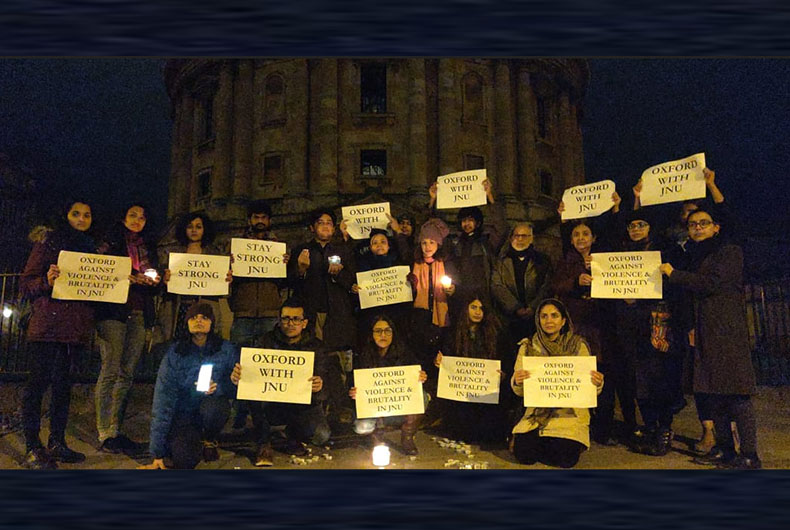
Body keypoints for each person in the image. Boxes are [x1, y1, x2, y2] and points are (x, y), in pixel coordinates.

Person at [660, 208, 761, 469]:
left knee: (736, 393)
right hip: (705, 330)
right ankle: (724, 448)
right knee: (712, 391)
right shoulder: (695, 256)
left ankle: (749, 454)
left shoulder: (728, 251)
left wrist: (674, 274)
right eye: (693, 224)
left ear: (716, 227)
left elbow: (713, 283)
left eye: (703, 223)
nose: (697, 228)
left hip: (727, 331)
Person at [19, 199, 96, 469]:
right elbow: (26, 282)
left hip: (72, 330)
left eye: (87, 215)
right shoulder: (49, 243)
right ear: (65, 215)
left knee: (63, 388)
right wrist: (46, 281)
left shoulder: (91, 250)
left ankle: (57, 442)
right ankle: (32, 445)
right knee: (37, 386)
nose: (81, 219)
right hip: (47, 326)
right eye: (76, 213)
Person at [230, 298, 330, 467]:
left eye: (296, 319)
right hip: (271, 404)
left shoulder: (316, 347)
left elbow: (327, 383)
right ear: (279, 320)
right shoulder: (264, 342)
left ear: (304, 323)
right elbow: (251, 380)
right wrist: (239, 378)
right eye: (285, 318)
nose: (290, 323)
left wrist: (319, 386)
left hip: (301, 405)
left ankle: (292, 435)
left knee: (321, 435)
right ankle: (263, 442)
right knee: (256, 397)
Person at [94, 202, 161, 454]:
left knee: (127, 372)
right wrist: (127, 276)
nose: (137, 220)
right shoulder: (109, 242)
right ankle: (104, 432)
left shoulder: (147, 246)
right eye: (132, 215)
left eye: (142, 217)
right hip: (112, 311)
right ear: (122, 217)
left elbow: (155, 279)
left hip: (139, 310)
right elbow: (98, 270)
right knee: (110, 370)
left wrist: (153, 279)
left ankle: (116, 429)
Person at [138, 303, 236, 470]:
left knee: (216, 408)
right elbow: (162, 401)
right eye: (193, 318)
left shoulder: (225, 349)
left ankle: (209, 439)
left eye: (204, 317)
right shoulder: (175, 353)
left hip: (210, 408)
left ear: (212, 322)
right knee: (185, 461)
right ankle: (181, 442)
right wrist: (156, 453)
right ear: (187, 323)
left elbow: (235, 390)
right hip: (183, 414)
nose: (198, 321)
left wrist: (221, 386)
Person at [510, 299, 604, 468]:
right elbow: (520, 392)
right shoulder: (528, 346)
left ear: (563, 321)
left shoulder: (577, 346)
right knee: (524, 456)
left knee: (565, 459)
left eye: (554, 316)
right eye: (544, 316)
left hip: (569, 415)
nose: (549, 321)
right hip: (536, 415)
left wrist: (596, 383)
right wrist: (517, 381)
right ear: (538, 320)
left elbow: (588, 390)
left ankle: (560, 442)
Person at [287, 208, 357, 426]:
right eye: (320, 222)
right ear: (312, 228)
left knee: (336, 361)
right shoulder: (302, 250)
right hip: (311, 312)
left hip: (337, 312)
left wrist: (339, 275)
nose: (325, 226)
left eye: (329, 223)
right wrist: (300, 269)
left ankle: (339, 406)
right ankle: (315, 409)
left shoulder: (342, 250)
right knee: (315, 358)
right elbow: (291, 283)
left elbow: (353, 282)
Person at [227, 200, 289, 428]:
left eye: (264, 217)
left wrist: (285, 265)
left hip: (270, 312)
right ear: (249, 220)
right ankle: (240, 411)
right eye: (256, 217)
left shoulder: (279, 246)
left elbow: (285, 280)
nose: (260, 221)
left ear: (269, 220)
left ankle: (266, 414)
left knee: (268, 365)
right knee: (239, 364)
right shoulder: (237, 247)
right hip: (243, 312)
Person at [434, 292, 510, 446]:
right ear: (465, 309)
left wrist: (503, 374)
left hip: (486, 394)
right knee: (463, 430)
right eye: (473, 307)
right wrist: (440, 363)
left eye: (481, 308)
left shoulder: (494, 333)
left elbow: (505, 360)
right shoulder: (453, 333)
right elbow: (448, 363)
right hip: (462, 395)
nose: (477, 312)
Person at [349, 315, 428, 455]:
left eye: (387, 330)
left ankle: (407, 436)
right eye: (378, 331)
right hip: (373, 411)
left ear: (393, 333)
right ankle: (375, 435)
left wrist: (420, 377)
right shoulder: (362, 356)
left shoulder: (404, 353)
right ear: (371, 334)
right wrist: (353, 392)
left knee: (423, 397)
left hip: (397, 409)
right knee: (362, 427)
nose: (383, 335)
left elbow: (414, 380)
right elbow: (350, 385)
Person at [430, 179, 507, 305]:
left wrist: (490, 197)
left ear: (477, 222)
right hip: (460, 296)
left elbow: (501, 228)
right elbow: (433, 228)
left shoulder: (486, 242)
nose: (467, 224)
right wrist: (433, 200)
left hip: (483, 297)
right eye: (464, 220)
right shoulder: (455, 242)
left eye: (470, 220)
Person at [159, 211, 231, 342]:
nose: (194, 230)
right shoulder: (173, 255)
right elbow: (162, 288)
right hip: (179, 308)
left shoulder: (215, 255)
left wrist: (226, 280)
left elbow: (223, 291)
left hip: (205, 307)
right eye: (189, 227)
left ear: (205, 230)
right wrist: (165, 279)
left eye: (198, 227)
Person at [405, 217, 458, 386]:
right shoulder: (413, 264)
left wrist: (452, 290)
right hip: (419, 320)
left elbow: (457, 285)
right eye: (424, 243)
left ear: (439, 245)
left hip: (440, 319)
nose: (427, 247)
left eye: (432, 243)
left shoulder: (447, 264)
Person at [491, 221, 553, 343]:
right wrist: (515, 307)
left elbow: (547, 285)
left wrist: (533, 307)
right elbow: (497, 285)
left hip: (536, 318)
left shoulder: (542, 261)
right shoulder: (502, 261)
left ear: (531, 238)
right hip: (508, 319)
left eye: (524, 236)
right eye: (516, 235)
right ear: (511, 238)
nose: (520, 239)